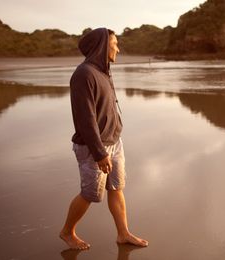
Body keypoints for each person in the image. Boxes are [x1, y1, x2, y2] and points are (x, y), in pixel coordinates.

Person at [59, 28, 149, 250]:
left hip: (114, 142)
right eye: (114, 44)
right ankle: (67, 232)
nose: (118, 48)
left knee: (116, 187)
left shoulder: (104, 72)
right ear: (102, 46)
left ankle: (123, 233)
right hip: (94, 148)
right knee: (90, 194)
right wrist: (99, 153)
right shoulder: (84, 74)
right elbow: (85, 119)